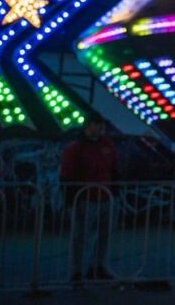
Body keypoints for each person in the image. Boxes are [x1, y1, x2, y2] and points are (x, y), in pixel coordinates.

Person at [60, 118, 118, 283]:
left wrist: (115, 193)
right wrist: (71, 200)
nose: (101, 128)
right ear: (88, 127)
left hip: (105, 197)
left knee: (104, 234)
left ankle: (97, 266)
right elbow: (66, 175)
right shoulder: (75, 148)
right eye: (97, 125)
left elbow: (113, 169)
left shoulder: (107, 145)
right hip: (85, 198)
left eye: (102, 125)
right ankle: (76, 270)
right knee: (79, 236)